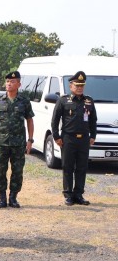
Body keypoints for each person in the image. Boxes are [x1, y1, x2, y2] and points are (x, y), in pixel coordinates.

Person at [0, 71, 34, 209]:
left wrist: (30, 140)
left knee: (17, 170)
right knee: (0, 170)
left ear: (19, 84)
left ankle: (13, 197)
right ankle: (2, 198)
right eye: (7, 81)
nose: (9, 84)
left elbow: (30, 121)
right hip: (2, 142)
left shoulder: (24, 101)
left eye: (12, 81)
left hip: (18, 143)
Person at [51, 71, 97, 206]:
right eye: (77, 85)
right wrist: (56, 137)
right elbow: (55, 120)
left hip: (83, 139)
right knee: (67, 166)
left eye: (82, 85)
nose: (80, 88)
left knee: (82, 167)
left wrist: (93, 135)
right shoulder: (63, 100)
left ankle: (78, 194)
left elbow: (93, 120)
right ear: (71, 86)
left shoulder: (89, 101)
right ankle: (68, 195)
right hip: (68, 138)